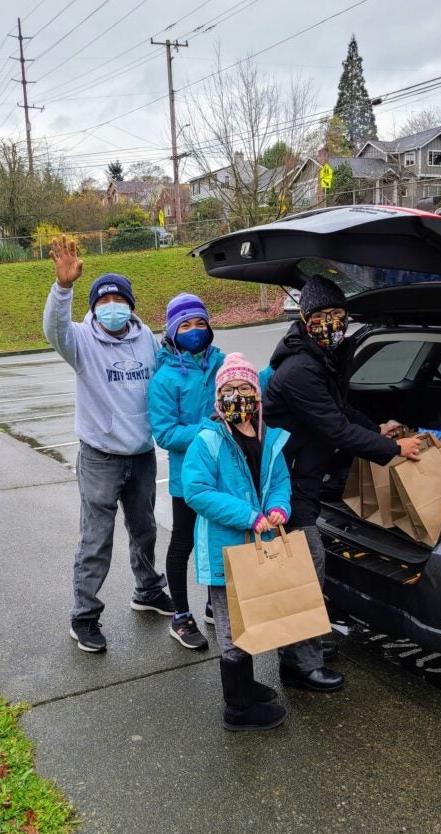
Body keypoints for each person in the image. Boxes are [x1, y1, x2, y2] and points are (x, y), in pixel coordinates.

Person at [262, 274, 422, 689]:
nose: (332, 322)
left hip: (305, 477)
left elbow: (344, 412)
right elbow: (334, 429)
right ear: (305, 317)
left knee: (307, 568)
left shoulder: (318, 358)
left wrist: (378, 428)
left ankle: (307, 642)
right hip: (287, 483)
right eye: (323, 315)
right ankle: (299, 665)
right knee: (304, 569)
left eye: (338, 314)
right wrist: (393, 451)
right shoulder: (300, 369)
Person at [43, 235, 172, 654]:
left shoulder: (146, 340)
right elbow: (54, 329)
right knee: (96, 539)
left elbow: (168, 379)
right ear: (95, 306)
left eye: (119, 299)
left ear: (130, 306)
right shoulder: (80, 341)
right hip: (100, 456)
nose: (111, 305)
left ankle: (148, 591)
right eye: (104, 299)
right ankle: (83, 616)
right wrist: (63, 289)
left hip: (141, 454)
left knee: (146, 530)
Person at [182, 352, 293, 732]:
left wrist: (279, 506)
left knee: (251, 617)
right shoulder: (208, 440)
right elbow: (197, 491)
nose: (238, 395)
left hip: (257, 547)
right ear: (218, 398)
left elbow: (279, 481)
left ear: (257, 395)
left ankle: (245, 684)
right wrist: (248, 516)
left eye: (245, 387)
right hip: (224, 550)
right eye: (228, 389)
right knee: (231, 627)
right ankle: (238, 708)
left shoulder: (268, 436)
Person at [148, 293, 225, 650]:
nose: (194, 331)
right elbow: (164, 433)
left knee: (221, 541)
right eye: (185, 325)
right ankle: (180, 616)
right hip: (188, 477)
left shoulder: (221, 363)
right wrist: (208, 428)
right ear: (172, 331)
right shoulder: (165, 378)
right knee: (184, 542)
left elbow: (249, 387)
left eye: (200, 323)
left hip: (225, 473)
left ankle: (216, 604)